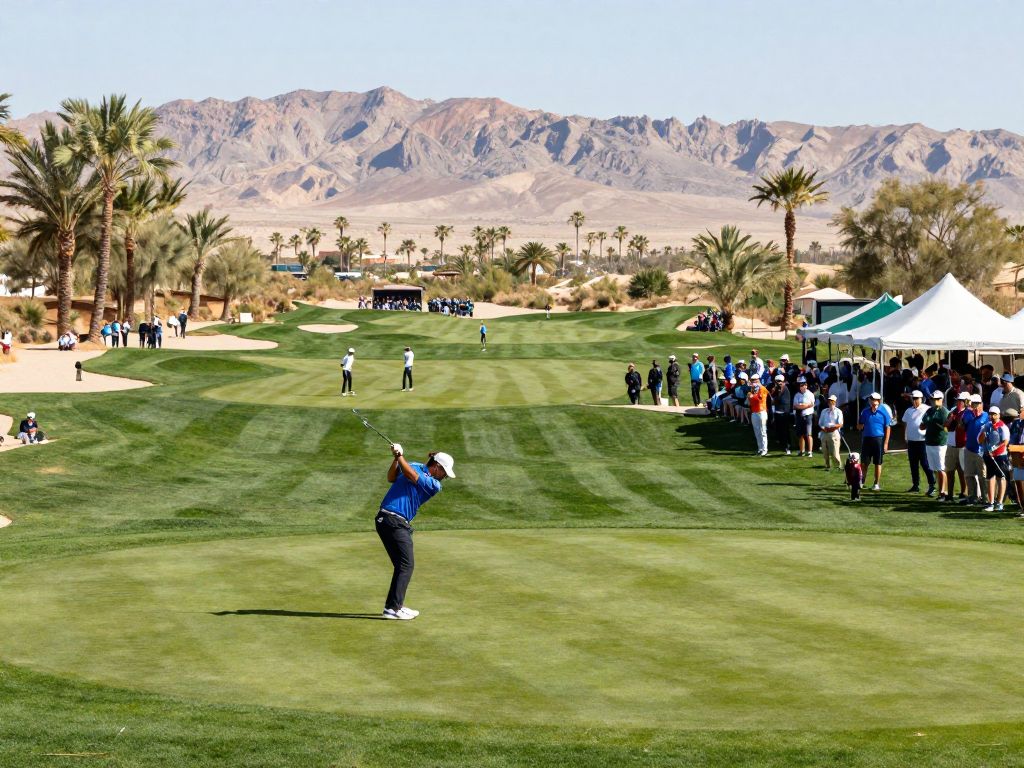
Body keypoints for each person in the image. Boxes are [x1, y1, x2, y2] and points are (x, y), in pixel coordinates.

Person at [376, 442, 455, 620]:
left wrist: (399, 457)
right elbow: (391, 477)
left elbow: (412, 476)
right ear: (437, 467)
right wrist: (396, 459)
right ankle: (393, 609)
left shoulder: (434, 485)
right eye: (444, 473)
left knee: (402, 565)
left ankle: (394, 606)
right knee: (406, 565)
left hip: (392, 522)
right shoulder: (414, 465)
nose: (444, 477)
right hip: (392, 520)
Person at [902, 390, 935, 494]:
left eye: (916, 398)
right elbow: (906, 423)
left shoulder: (927, 409)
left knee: (925, 464)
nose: (914, 400)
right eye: (913, 398)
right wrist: (905, 436)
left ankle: (932, 484)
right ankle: (915, 485)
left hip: (923, 441)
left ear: (921, 399)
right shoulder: (908, 410)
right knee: (913, 464)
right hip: (912, 441)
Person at [920, 390, 950, 501]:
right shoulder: (929, 410)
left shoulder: (945, 412)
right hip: (929, 442)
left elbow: (946, 428)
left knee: (941, 468)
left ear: (941, 400)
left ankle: (943, 492)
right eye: (933, 399)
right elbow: (922, 426)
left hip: (940, 443)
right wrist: (929, 423)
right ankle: (940, 490)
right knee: (935, 469)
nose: (934, 401)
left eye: (937, 399)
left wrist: (933, 424)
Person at [858, 393, 890, 491]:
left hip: (878, 440)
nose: (873, 401)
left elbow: (888, 427)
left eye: (875, 400)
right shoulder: (865, 412)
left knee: (878, 463)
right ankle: (861, 482)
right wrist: (860, 426)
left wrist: (886, 443)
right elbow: (860, 426)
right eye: (871, 399)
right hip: (867, 439)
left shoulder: (884, 411)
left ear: (879, 401)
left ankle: (876, 483)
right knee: (864, 463)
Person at [980, 405, 1010, 512]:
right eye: (991, 414)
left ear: (999, 415)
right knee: (990, 478)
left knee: (1001, 478)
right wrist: (983, 435)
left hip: (1000, 456)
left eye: (994, 414)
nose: (992, 416)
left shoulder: (1003, 427)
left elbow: (1005, 442)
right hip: (988, 455)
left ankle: (1000, 502)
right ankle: (991, 503)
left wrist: (994, 451)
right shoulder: (986, 426)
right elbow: (980, 440)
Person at [960, 394, 989, 505]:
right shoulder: (967, 413)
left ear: (980, 404)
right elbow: (961, 427)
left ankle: (985, 498)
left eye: (976, 404)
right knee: (969, 475)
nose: (974, 407)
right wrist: (963, 420)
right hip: (969, 449)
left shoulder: (986, 416)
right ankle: (972, 497)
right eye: (972, 405)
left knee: (983, 476)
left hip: (981, 451)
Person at [945, 391, 970, 501]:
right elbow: (945, 425)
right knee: (949, 470)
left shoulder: (968, 412)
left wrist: (956, 417)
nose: (958, 402)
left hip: (962, 445)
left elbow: (963, 426)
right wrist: (951, 418)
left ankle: (964, 493)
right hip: (951, 444)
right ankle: (949, 494)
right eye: (958, 400)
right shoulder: (952, 410)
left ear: (966, 402)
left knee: (962, 471)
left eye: (960, 400)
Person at [818, 393, 844, 470]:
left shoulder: (838, 411)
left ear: (835, 402)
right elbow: (820, 423)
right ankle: (827, 465)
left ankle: (838, 466)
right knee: (825, 451)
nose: (830, 403)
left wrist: (831, 429)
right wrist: (823, 429)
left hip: (834, 433)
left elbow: (840, 424)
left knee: (835, 451)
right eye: (829, 401)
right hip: (824, 432)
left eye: (832, 401)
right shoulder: (824, 411)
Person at [1006, 408, 1024, 517]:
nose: (1021, 412)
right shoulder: (1016, 423)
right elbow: (1012, 439)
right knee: (1018, 481)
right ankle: (1023, 508)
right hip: (1017, 455)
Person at [792, 377, 815, 457]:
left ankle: (810, 451)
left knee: (808, 434)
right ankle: (802, 451)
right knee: (800, 434)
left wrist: (802, 406)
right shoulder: (797, 395)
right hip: (799, 416)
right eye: (801, 385)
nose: (802, 387)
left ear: (806, 385)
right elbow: (795, 406)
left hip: (808, 416)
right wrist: (805, 406)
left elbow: (811, 405)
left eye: (803, 385)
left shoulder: (810, 394)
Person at [770, 374, 792, 455]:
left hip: (784, 413)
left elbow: (779, 400)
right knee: (779, 429)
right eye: (777, 381)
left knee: (785, 430)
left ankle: (787, 446)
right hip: (778, 412)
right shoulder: (777, 389)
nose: (778, 383)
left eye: (780, 381)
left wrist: (775, 395)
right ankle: (782, 443)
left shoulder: (784, 389)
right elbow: (773, 398)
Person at [747, 377, 769, 456]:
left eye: (755, 381)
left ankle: (764, 449)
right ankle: (760, 448)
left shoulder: (762, 388)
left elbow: (759, 399)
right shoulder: (753, 390)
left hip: (761, 412)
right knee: (757, 432)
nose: (753, 383)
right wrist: (751, 396)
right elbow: (750, 402)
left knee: (763, 431)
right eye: (752, 381)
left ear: (758, 381)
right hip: (754, 412)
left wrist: (751, 396)